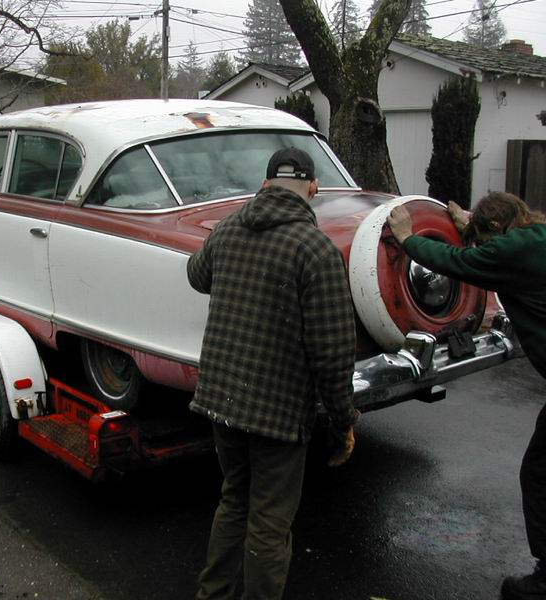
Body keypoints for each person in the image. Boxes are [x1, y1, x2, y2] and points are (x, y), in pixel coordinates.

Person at [187, 147, 359, 600]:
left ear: (263, 185)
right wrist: (343, 422)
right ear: (314, 189)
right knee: (269, 521)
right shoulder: (314, 249)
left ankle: (213, 594)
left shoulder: (227, 230)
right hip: (278, 412)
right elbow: (334, 351)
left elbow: (196, 275)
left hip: (221, 399)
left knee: (234, 500)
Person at [386, 192, 546, 600]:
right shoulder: (535, 234)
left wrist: (407, 237)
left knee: (540, 474)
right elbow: (496, 243)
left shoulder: (510, 252)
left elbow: (456, 263)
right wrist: (468, 221)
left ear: (494, 231)